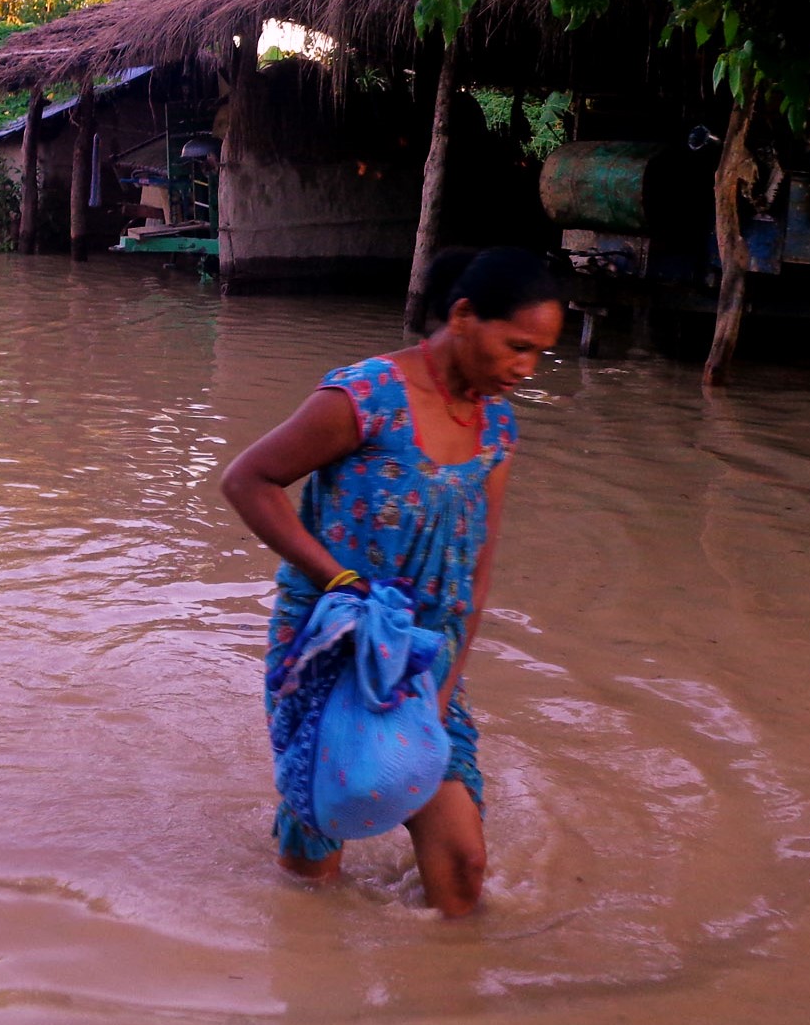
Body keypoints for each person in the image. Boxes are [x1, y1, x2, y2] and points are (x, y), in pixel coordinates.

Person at [218, 247, 565, 919]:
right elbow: (247, 480)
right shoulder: (366, 397)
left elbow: (478, 568)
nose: (526, 369)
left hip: (425, 656)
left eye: (538, 354)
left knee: (464, 865)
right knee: (315, 864)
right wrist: (339, 578)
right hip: (332, 648)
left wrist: (443, 683)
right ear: (463, 317)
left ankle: (447, 1006)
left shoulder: (496, 423)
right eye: (517, 346)